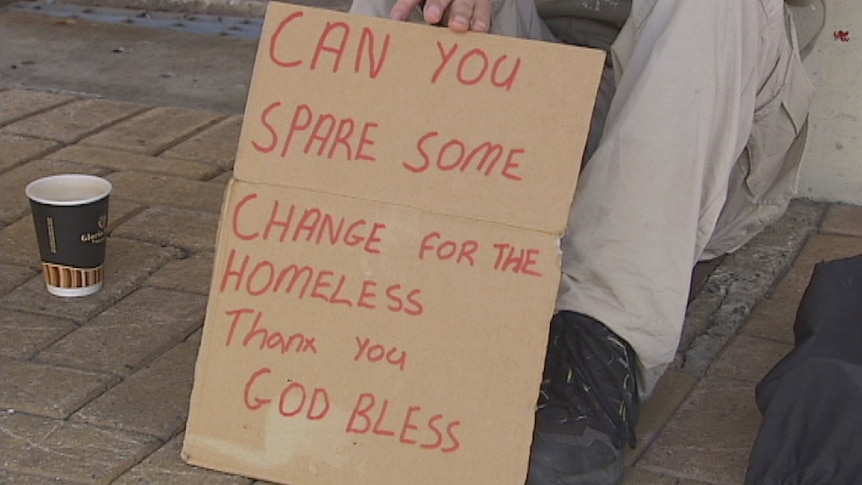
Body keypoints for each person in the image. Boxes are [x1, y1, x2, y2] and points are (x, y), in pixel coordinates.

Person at [348, 0, 822, 483]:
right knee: (406, 4)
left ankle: (593, 360)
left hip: (698, 109)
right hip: (542, 101)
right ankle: (342, 311)